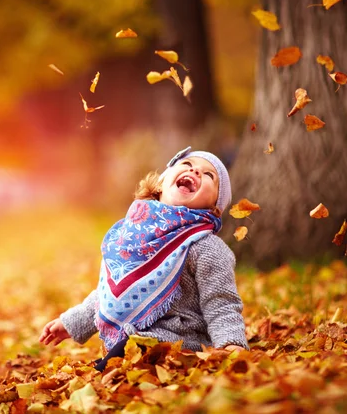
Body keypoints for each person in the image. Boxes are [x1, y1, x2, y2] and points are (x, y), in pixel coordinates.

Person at [39, 146, 249, 371]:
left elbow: (221, 302)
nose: (196, 171)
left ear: (214, 208)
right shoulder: (131, 234)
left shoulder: (205, 246)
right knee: (122, 356)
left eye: (209, 175)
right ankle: (110, 368)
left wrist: (231, 345)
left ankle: (111, 369)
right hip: (131, 340)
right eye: (187, 165)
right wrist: (71, 323)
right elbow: (110, 292)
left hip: (180, 343)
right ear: (160, 185)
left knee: (125, 357)